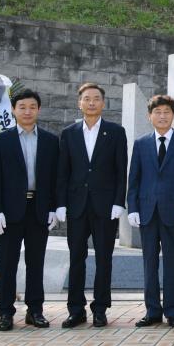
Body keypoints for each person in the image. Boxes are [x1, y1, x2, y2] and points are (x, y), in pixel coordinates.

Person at [55, 82, 127, 328]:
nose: (92, 102)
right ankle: (76, 309)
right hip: (76, 205)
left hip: (105, 206)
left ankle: (100, 308)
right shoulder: (69, 133)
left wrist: (119, 202)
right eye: (87, 99)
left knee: (104, 258)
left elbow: (121, 172)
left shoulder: (116, 132)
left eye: (96, 98)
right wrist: (60, 204)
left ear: (103, 103)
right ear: (80, 103)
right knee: (77, 257)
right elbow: (62, 172)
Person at [0, 89, 58, 331]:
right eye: (22, 107)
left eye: (32, 107)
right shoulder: (1, 140)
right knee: (8, 262)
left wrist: (53, 208)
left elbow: (54, 179)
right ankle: (6, 312)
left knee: (36, 262)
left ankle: (35, 310)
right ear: (14, 110)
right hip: (10, 211)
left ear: (38, 110)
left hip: (38, 208)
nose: (27, 111)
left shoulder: (50, 140)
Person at [127, 94, 174, 328]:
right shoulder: (141, 143)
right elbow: (134, 179)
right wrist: (133, 208)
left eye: (167, 112)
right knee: (149, 263)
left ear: (173, 115)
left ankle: (173, 311)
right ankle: (152, 311)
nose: (162, 116)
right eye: (157, 112)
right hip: (147, 212)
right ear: (150, 116)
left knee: (172, 263)